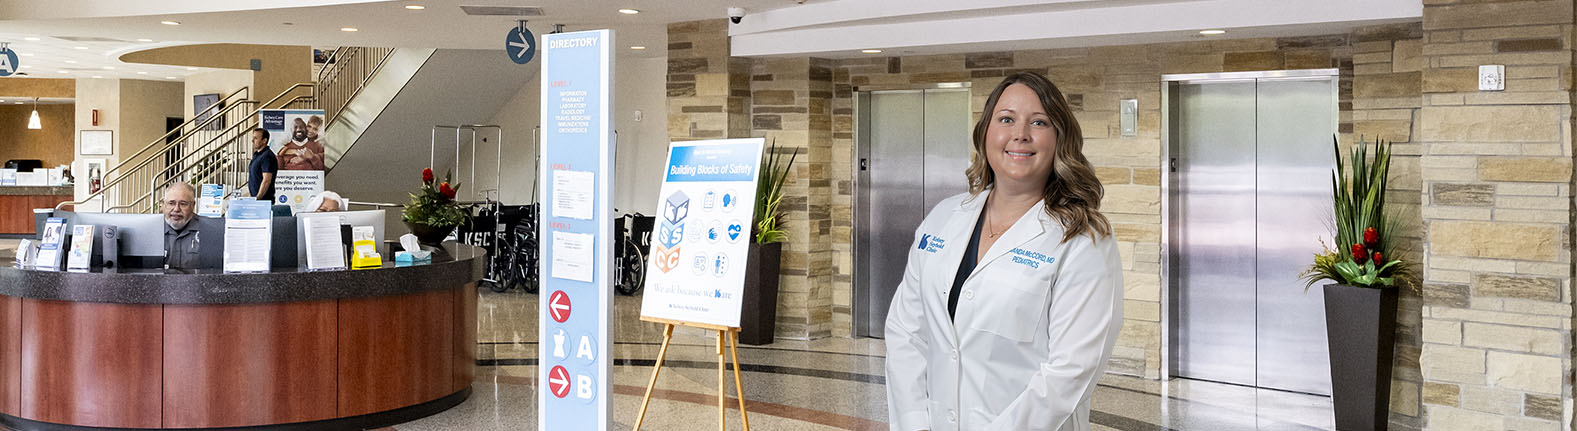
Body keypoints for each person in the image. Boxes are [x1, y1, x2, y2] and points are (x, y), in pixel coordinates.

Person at [884, 71, 1123, 431]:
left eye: (1039, 122)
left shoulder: (1083, 240)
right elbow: (906, 333)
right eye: (1006, 119)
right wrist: (915, 423)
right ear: (985, 133)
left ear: (1060, 139)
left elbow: (1070, 372)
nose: (1020, 134)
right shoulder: (944, 218)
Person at [161, 182, 200, 270]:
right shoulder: (151, 231)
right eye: (171, 203)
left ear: (193, 205)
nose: (176, 209)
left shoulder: (207, 230)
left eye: (183, 204)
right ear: (164, 204)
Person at [248, 128, 277, 202]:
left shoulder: (267, 156)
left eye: (256, 138)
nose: (252, 141)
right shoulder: (257, 155)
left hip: (263, 200)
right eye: (253, 138)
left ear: (264, 140)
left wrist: (258, 198)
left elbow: (266, 180)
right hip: (256, 198)